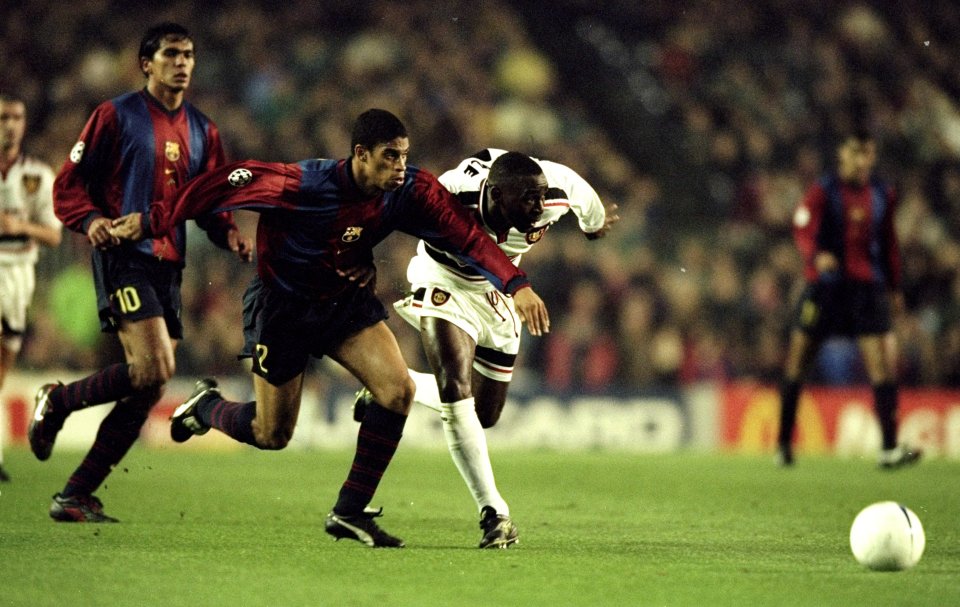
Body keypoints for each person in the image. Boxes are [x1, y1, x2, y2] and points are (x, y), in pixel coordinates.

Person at [109, 110, 551, 548]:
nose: (400, 167)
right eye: (390, 157)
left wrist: (516, 285)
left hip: (344, 304)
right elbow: (224, 182)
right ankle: (207, 408)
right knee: (272, 434)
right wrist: (152, 221)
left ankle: (349, 511)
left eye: (404, 156)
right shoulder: (304, 184)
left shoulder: (410, 189)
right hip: (282, 307)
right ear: (360, 154)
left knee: (398, 392)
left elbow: (468, 238)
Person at [27, 23, 253, 523]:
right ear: (146, 64)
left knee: (148, 386)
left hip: (169, 265)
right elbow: (69, 185)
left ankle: (75, 493)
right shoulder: (115, 116)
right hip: (124, 255)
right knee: (156, 370)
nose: (183, 63)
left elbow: (209, 202)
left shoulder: (203, 130)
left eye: (189, 55)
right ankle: (58, 399)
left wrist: (229, 234)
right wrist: (92, 221)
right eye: (172, 54)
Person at [353, 149, 618, 548]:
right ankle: (495, 513)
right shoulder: (450, 193)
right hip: (443, 278)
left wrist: (593, 227)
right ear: (494, 193)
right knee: (457, 395)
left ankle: (394, 384)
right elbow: (392, 217)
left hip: (496, 291)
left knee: (484, 413)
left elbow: (590, 207)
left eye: (540, 196)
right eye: (527, 198)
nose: (538, 206)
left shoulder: (557, 187)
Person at [775, 127, 920, 469]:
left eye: (868, 153)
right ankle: (783, 444)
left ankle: (888, 448)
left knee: (882, 365)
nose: (863, 161)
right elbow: (802, 225)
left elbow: (889, 242)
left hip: (867, 290)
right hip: (825, 288)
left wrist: (895, 286)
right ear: (843, 154)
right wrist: (815, 256)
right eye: (857, 153)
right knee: (798, 362)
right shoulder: (823, 191)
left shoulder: (883, 193)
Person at [0, 93, 63, 482]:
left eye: (17, 117)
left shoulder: (37, 176)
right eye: (4, 117)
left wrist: (21, 227)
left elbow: (54, 235)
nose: (10, 124)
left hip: (18, 274)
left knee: (3, 365)